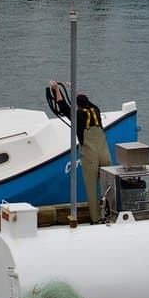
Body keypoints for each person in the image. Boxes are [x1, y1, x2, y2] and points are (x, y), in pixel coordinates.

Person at [47, 80, 114, 222]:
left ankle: (96, 219)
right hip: (104, 152)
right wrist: (74, 89)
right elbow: (84, 98)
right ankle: (112, 214)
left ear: (77, 106)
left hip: (90, 154)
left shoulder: (78, 115)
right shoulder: (96, 110)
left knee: (91, 187)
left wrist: (56, 89)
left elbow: (62, 105)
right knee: (109, 186)